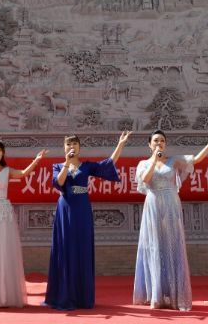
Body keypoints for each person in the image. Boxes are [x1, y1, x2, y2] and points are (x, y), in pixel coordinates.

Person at [133, 128, 208, 311]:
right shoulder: (143, 163)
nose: (159, 143)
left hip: (171, 204)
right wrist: (154, 160)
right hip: (153, 205)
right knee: (154, 246)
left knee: (172, 245)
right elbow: (145, 179)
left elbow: (196, 159)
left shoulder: (174, 161)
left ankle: (175, 294)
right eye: (156, 140)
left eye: (162, 141)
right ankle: (156, 296)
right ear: (149, 144)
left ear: (165, 144)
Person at [44, 131, 132, 310]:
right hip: (65, 208)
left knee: (82, 247)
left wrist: (120, 144)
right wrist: (67, 164)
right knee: (66, 247)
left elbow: (108, 164)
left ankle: (82, 297)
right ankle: (64, 295)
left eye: (74, 144)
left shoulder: (87, 166)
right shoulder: (58, 166)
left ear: (79, 147)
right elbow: (59, 182)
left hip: (82, 208)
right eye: (68, 144)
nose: (72, 147)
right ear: (64, 148)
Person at [0, 139, 48, 309]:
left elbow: (23, 174)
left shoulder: (7, 170)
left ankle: (4, 295)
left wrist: (36, 160)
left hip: (3, 212)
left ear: (3, 153)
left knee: (3, 251)